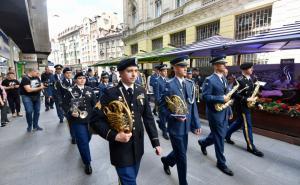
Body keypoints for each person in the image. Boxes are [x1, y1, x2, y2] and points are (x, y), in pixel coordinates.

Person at [90, 58, 161, 185]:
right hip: (120, 149)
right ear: (120, 73)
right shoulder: (110, 93)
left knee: (130, 178)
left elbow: (148, 118)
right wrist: (115, 136)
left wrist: (155, 141)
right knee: (130, 181)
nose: (134, 74)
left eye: (136, 71)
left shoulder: (141, 91)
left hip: (138, 146)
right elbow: (95, 120)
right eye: (129, 71)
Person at [160, 55, 201, 185]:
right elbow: (162, 107)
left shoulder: (190, 84)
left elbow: (193, 105)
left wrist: (196, 124)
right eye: (182, 66)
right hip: (175, 126)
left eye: (185, 66)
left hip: (187, 125)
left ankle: (166, 161)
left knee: (181, 151)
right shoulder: (169, 84)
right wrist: (173, 116)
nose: (185, 68)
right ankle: (183, 182)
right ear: (175, 68)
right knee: (182, 156)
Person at [198, 57, 234, 176]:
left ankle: (203, 143)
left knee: (219, 135)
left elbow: (226, 95)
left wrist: (229, 110)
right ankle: (221, 163)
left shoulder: (223, 78)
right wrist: (220, 99)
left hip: (224, 111)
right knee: (219, 137)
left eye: (224, 63)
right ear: (215, 65)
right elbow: (205, 96)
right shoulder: (210, 80)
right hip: (214, 113)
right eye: (221, 63)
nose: (224, 65)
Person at [225, 62, 264, 157]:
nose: (252, 70)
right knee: (248, 125)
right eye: (251, 68)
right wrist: (245, 99)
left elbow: (252, 94)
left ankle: (226, 135)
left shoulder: (251, 79)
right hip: (241, 106)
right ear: (245, 69)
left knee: (238, 123)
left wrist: (257, 103)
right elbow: (233, 94)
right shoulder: (239, 80)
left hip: (247, 106)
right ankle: (250, 146)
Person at [65, 72, 96, 174]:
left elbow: (95, 105)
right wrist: (71, 112)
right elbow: (64, 105)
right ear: (75, 80)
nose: (82, 80)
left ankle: (83, 151)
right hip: (77, 121)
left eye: (83, 78)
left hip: (89, 120)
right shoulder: (70, 91)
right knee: (83, 141)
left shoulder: (89, 90)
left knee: (87, 139)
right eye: (79, 78)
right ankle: (87, 163)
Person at [56, 67, 76, 144]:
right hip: (67, 105)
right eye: (67, 73)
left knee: (77, 120)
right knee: (70, 121)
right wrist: (61, 104)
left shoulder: (75, 81)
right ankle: (73, 137)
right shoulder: (60, 82)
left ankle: (77, 135)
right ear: (64, 74)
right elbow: (59, 94)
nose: (69, 74)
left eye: (70, 73)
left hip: (76, 104)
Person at [155, 64, 169, 140]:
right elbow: (157, 94)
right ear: (160, 72)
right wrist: (159, 103)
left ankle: (160, 123)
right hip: (162, 104)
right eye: (164, 70)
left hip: (168, 103)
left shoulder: (168, 79)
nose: (166, 72)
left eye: (166, 70)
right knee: (163, 118)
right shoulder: (157, 81)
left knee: (167, 117)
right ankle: (164, 132)